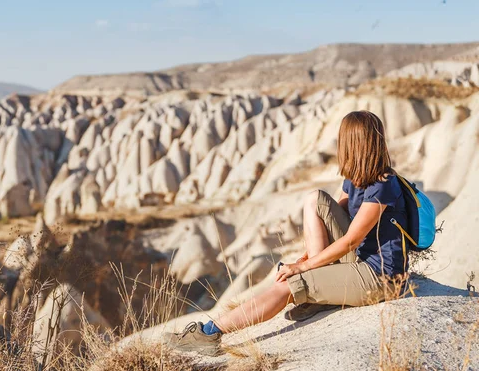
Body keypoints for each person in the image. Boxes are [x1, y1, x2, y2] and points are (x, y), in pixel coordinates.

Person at [164, 110, 408, 356]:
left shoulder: (382, 184)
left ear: (352, 143)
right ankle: (316, 298)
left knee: (288, 287)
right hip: (359, 262)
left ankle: (208, 333)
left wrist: (301, 269)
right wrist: (305, 259)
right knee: (315, 199)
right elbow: (331, 219)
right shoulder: (356, 178)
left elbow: (351, 240)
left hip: (379, 277)